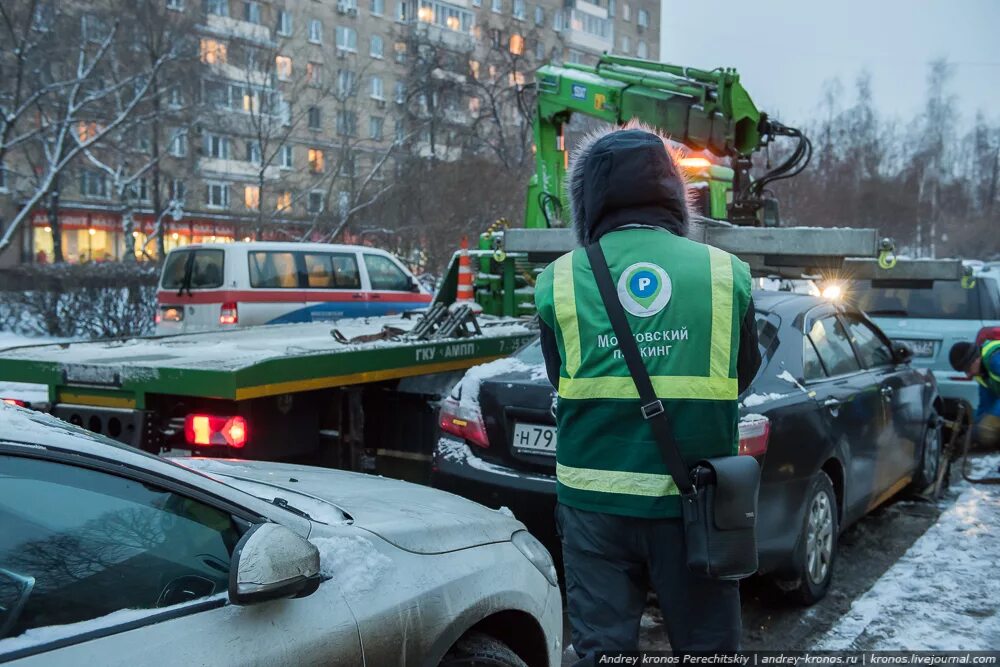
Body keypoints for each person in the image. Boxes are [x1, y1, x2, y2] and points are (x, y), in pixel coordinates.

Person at [533, 123, 761, 662]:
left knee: (601, 651)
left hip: (594, 506)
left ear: (586, 201)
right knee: (707, 648)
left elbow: (559, 377)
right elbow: (741, 375)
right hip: (695, 502)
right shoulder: (726, 274)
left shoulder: (559, 279)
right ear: (674, 194)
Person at [949, 339, 1000, 447]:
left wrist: (994, 417)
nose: (968, 375)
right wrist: (975, 431)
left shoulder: (995, 359)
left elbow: (993, 415)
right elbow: (986, 405)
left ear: (976, 359)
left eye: (967, 369)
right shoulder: (982, 373)